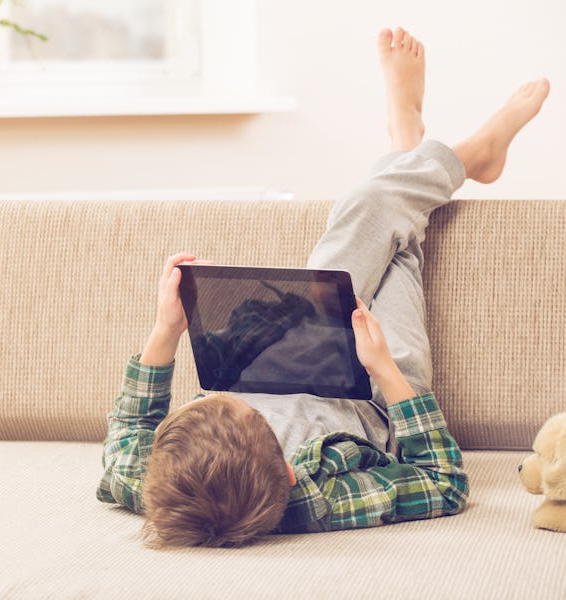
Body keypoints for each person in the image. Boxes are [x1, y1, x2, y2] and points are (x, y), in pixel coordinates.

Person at [96, 27, 550, 548]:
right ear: (289, 476)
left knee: (367, 210)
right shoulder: (319, 500)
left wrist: (166, 330)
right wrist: (382, 367)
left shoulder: (156, 486)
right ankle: (447, 149)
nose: (231, 394)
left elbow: (129, 436)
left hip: (300, 335)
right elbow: (443, 484)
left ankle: (422, 145)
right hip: (378, 393)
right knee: (396, 247)